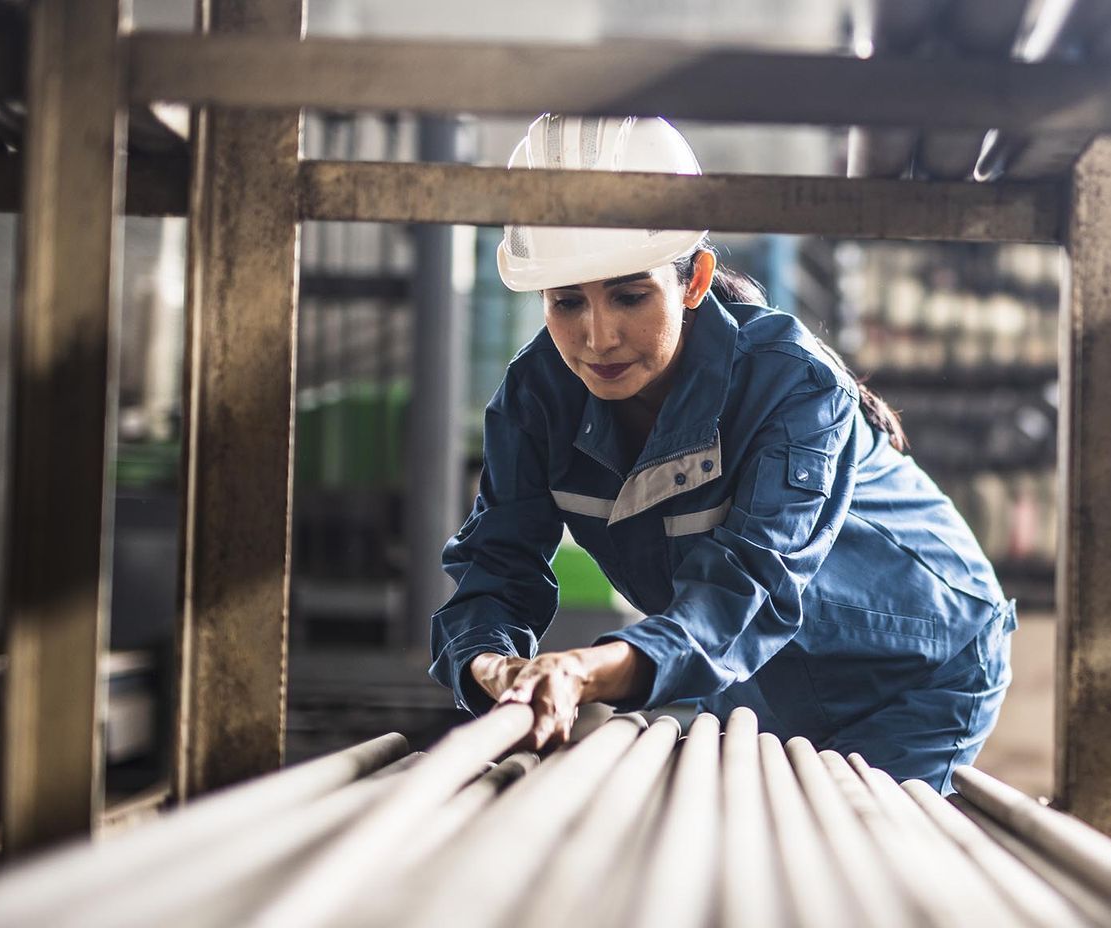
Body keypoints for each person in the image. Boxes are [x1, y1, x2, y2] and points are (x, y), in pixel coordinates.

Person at [428, 115, 1015, 791]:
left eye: (629, 295)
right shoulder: (536, 400)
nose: (597, 336)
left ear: (694, 279)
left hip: (919, 666)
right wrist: (495, 668)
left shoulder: (791, 385)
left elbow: (750, 585)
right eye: (566, 302)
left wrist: (585, 672)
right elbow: (496, 569)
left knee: (845, 865)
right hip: (757, 674)